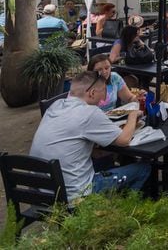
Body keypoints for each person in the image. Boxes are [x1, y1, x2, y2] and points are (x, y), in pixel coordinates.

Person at [29, 69, 150, 203]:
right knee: (143, 168)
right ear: (92, 93)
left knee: (103, 159)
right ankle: (121, 213)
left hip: (43, 191)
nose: (103, 99)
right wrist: (132, 115)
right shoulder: (89, 113)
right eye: (103, 93)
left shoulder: (55, 106)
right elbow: (124, 140)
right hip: (75, 196)